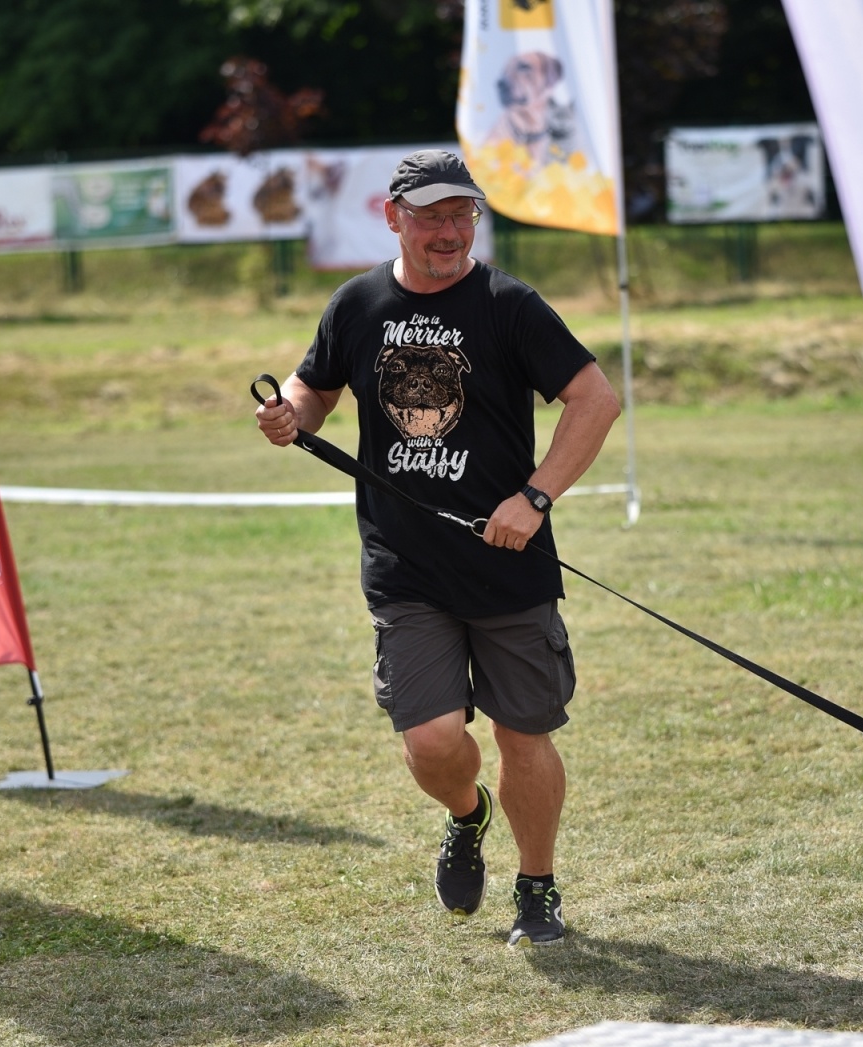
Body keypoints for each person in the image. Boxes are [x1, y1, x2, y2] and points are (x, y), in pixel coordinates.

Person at [255, 149, 620, 947]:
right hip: (405, 566)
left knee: (524, 735)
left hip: (508, 564)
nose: (449, 231)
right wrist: (290, 415)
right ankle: (465, 813)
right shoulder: (357, 303)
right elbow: (313, 387)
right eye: (431, 216)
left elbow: (595, 398)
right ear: (394, 218)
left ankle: (537, 886)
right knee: (429, 739)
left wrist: (535, 497)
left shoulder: (510, 305)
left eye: (462, 214)